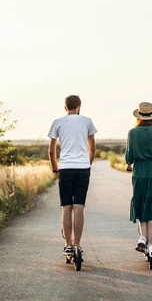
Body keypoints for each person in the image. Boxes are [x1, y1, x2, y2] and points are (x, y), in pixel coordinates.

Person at [48, 95, 97, 260]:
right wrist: (87, 163)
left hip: (65, 168)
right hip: (83, 167)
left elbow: (51, 151)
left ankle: (68, 245)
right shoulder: (87, 121)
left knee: (66, 207)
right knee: (79, 207)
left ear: (65, 107)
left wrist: (56, 168)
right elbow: (93, 148)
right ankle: (77, 245)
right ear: (79, 106)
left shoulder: (58, 122)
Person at [125, 102, 152, 258]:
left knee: (141, 204)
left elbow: (128, 157)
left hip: (139, 172)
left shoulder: (132, 133)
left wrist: (129, 165)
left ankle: (142, 237)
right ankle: (150, 245)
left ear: (138, 116)